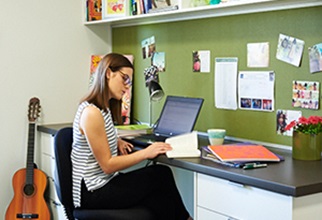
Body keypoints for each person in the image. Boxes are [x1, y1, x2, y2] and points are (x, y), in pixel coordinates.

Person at [71, 53, 192, 220]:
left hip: (102, 184)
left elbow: (97, 138)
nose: (127, 86)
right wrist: (145, 153)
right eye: (124, 79)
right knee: (160, 175)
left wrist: (115, 140)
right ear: (108, 73)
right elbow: (107, 165)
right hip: (93, 191)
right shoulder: (91, 113)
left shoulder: (103, 109)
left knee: (158, 197)